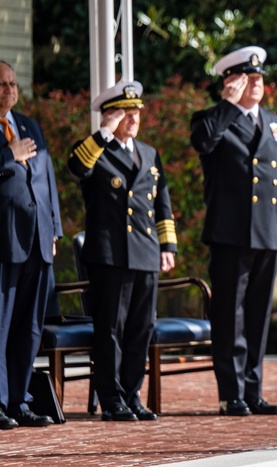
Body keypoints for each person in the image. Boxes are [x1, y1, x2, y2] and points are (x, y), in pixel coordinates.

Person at [190, 46, 277, 416]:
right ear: (230, 82)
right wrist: (226, 105)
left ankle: (253, 391)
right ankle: (231, 393)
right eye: (248, 78)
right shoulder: (212, 119)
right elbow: (202, 142)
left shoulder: (274, 123)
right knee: (228, 316)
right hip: (230, 233)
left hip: (268, 232)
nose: (257, 84)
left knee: (257, 316)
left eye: (259, 78)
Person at [67, 80, 178, 422]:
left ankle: (132, 395)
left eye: (137, 112)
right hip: (110, 255)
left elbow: (162, 204)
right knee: (110, 330)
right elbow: (76, 168)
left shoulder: (148, 152)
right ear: (110, 116)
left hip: (145, 253)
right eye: (126, 112)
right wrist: (102, 133)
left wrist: (167, 246)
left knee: (140, 329)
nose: (134, 118)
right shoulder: (96, 149)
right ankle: (111, 398)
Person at [0, 59, 63, 429]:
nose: (9, 90)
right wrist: (10, 155)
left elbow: (47, 179)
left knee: (29, 328)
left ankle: (20, 401)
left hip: (37, 240)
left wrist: (53, 227)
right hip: (4, 242)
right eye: (2, 84)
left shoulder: (28, 125)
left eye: (12, 84)